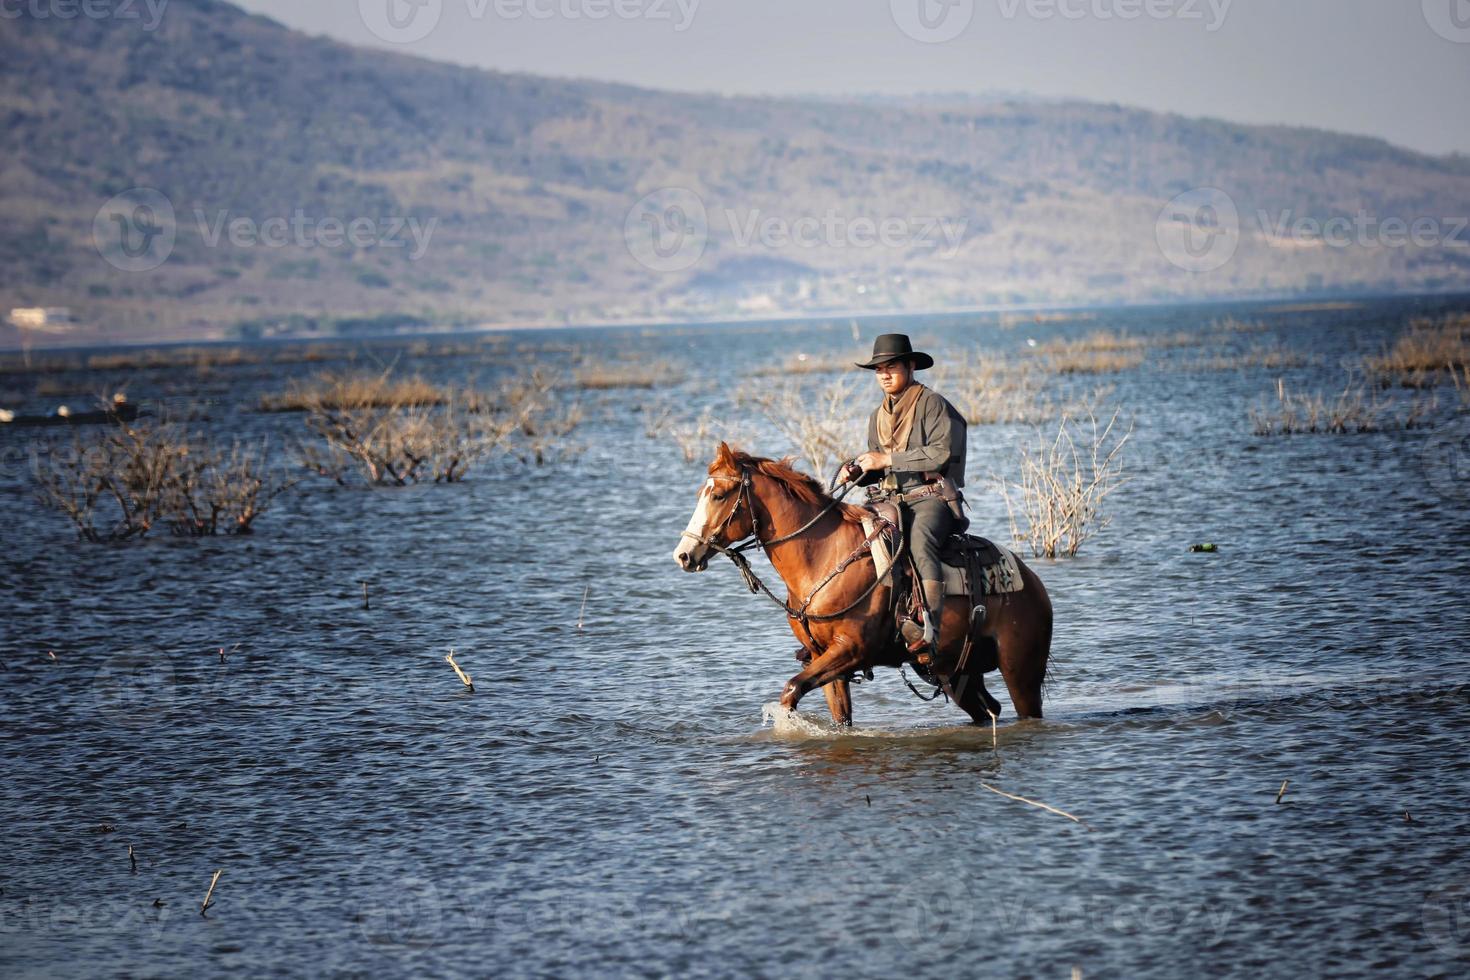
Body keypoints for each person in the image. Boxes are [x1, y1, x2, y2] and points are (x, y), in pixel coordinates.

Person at [851, 333, 968, 652]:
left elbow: (941, 453)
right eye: (879, 369)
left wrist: (885, 458)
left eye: (891, 366)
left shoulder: (933, 404)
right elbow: (877, 467)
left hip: (931, 498)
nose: (885, 374)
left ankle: (929, 625)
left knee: (920, 542)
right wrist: (860, 469)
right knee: (850, 543)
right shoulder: (876, 417)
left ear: (911, 366)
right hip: (887, 502)